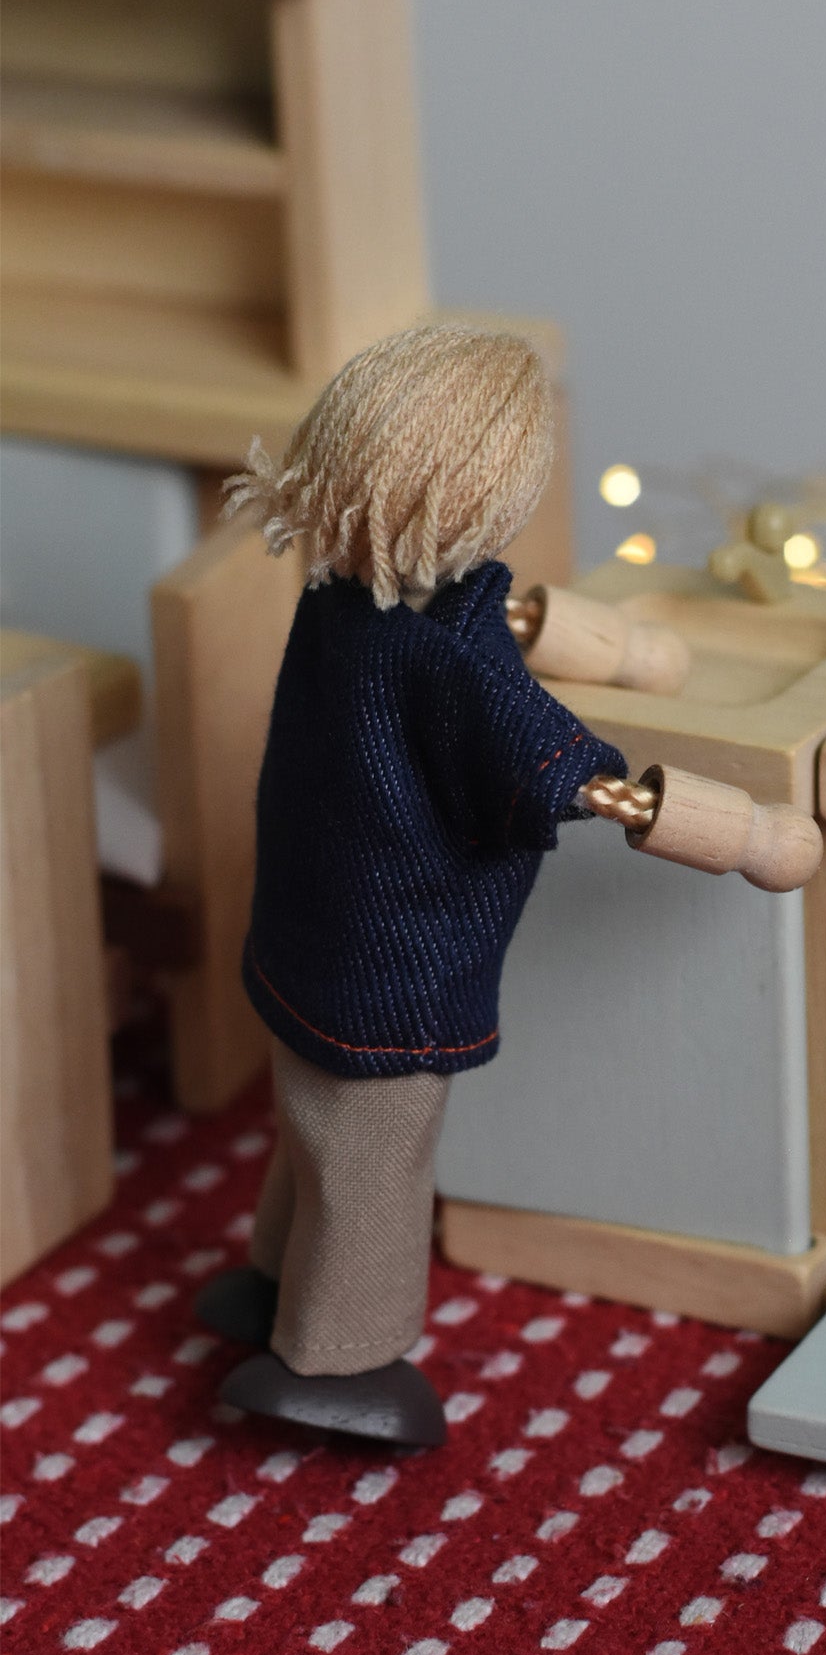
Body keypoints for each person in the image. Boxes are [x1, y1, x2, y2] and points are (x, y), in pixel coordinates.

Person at [193, 322, 626, 1445]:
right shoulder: (450, 655)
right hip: (394, 970)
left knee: (310, 1128)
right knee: (377, 1165)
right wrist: (625, 792)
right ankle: (339, 1357)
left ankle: (270, 1281)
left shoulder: (339, 595)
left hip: (308, 935)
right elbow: (543, 758)